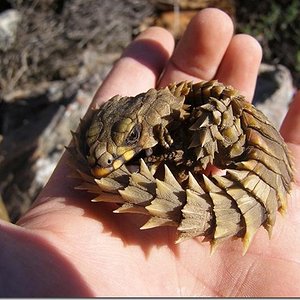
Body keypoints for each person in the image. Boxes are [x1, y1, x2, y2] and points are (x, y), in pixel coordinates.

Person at [0, 8, 299, 297]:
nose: (105, 162)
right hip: (257, 176)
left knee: (214, 115)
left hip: (260, 176)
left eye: (132, 136)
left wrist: (179, 157)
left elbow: (209, 129)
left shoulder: (191, 110)